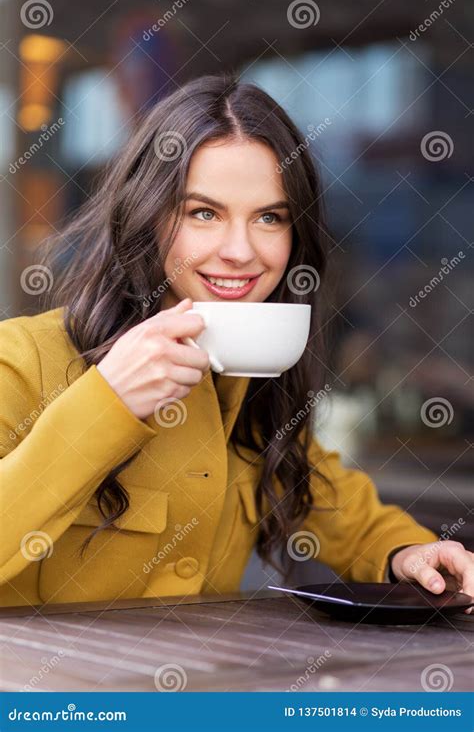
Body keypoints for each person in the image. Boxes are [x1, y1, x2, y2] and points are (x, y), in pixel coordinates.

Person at [1, 73, 472, 611]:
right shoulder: (20, 362)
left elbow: (321, 494)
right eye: (204, 213)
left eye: (269, 217)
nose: (240, 250)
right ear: (145, 214)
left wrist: (405, 553)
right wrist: (105, 402)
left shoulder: (247, 375)